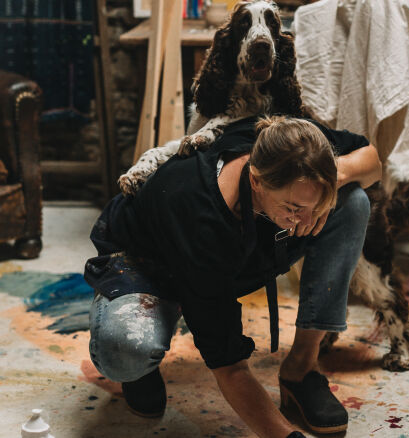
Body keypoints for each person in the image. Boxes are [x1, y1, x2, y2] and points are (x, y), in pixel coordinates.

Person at [85, 115, 381, 438]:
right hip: (147, 265)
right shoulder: (201, 220)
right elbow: (230, 367)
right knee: (126, 349)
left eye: (312, 207)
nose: (307, 222)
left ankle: (301, 368)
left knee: (352, 202)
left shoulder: (293, 143)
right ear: (256, 181)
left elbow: (373, 159)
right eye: (295, 208)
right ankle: (139, 363)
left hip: (237, 249)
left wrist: (332, 183)